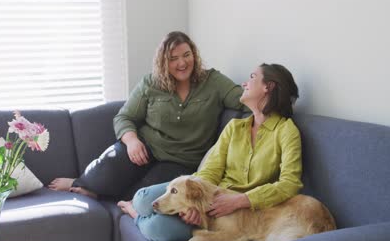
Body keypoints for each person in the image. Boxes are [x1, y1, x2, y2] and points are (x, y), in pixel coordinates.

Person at [117, 63, 303, 241]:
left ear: (267, 87)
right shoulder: (235, 127)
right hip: (207, 196)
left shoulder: (286, 131)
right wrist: (195, 202)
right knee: (143, 199)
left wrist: (241, 200)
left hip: (239, 214)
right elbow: (211, 170)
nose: (244, 84)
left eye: (252, 77)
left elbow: (289, 183)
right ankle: (137, 208)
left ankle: (134, 215)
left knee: (156, 230)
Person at [48, 31, 247, 200]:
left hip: (181, 160)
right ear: (163, 61)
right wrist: (132, 141)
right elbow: (124, 117)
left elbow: (243, 99)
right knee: (103, 171)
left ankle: (104, 194)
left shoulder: (213, 81)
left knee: (146, 194)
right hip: (146, 147)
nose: (182, 63)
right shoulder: (151, 83)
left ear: (194, 55)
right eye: (173, 58)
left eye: (187, 55)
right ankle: (83, 183)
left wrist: (253, 89)